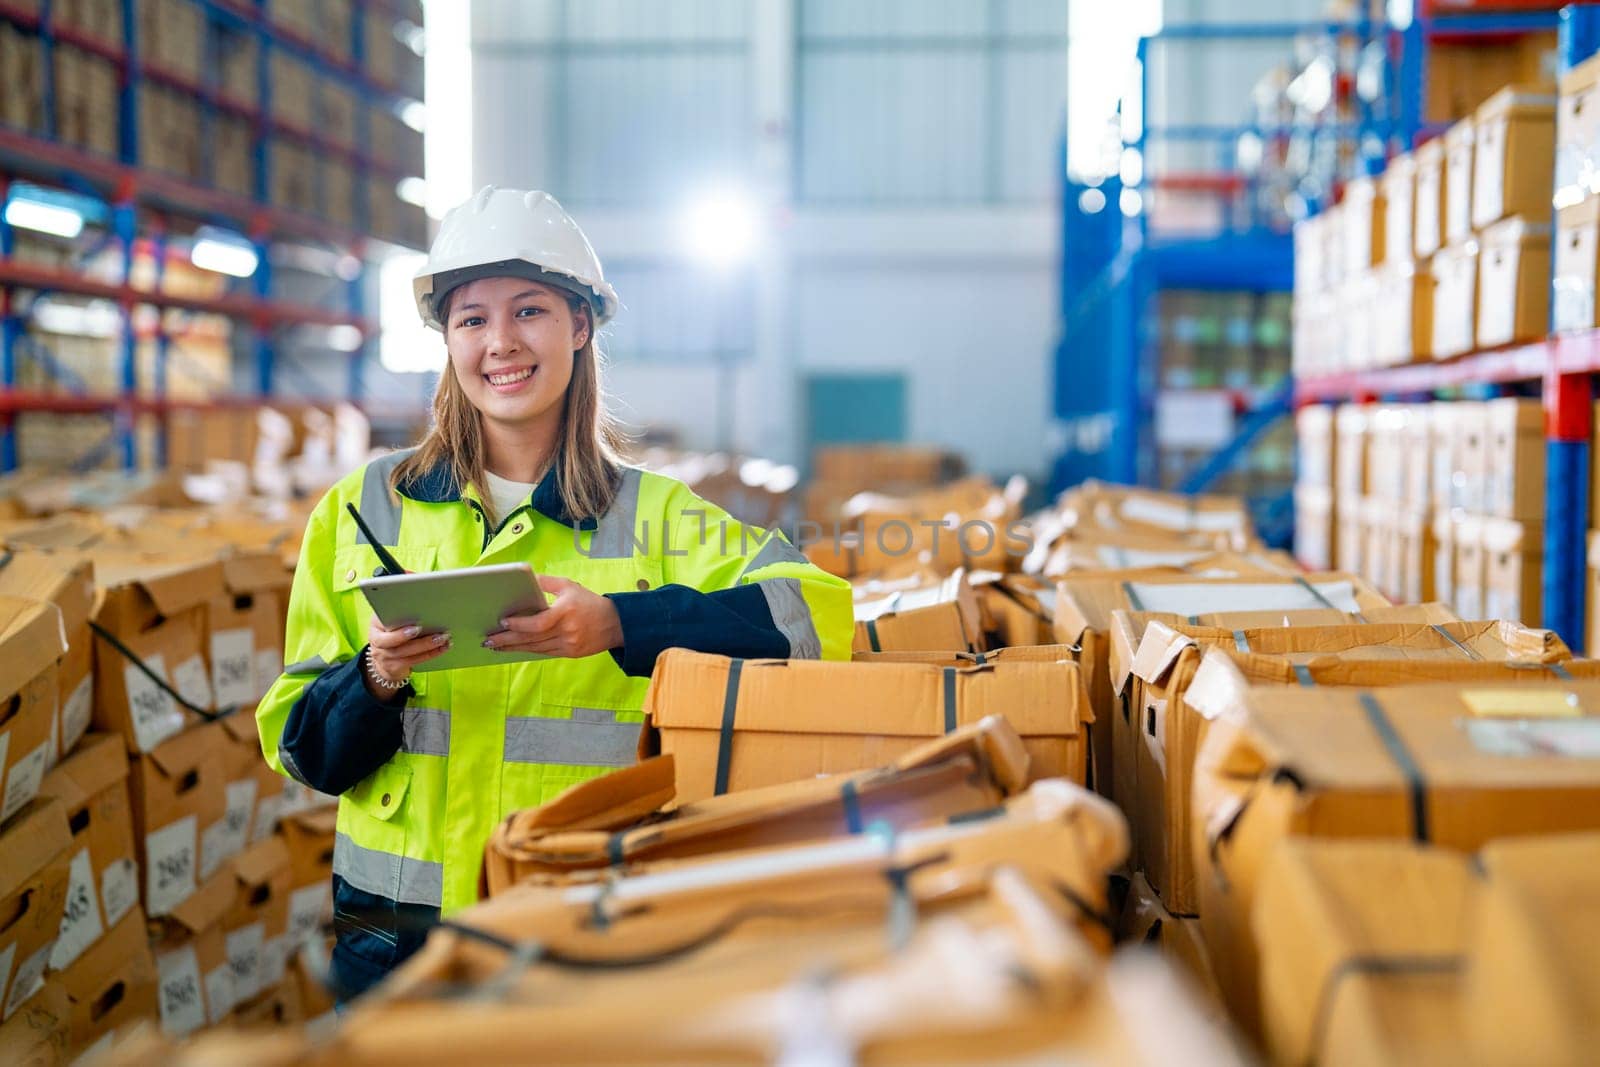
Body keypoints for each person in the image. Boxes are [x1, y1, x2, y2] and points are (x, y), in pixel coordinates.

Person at [256, 187, 854, 1000]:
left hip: (579, 924)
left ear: (580, 325)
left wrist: (621, 620)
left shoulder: (657, 516)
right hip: (392, 936)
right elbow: (299, 746)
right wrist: (375, 676)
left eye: (528, 311)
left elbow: (817, 618)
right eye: (470, 319)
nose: (499, 343)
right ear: (447, 339)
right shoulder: (366, 511)